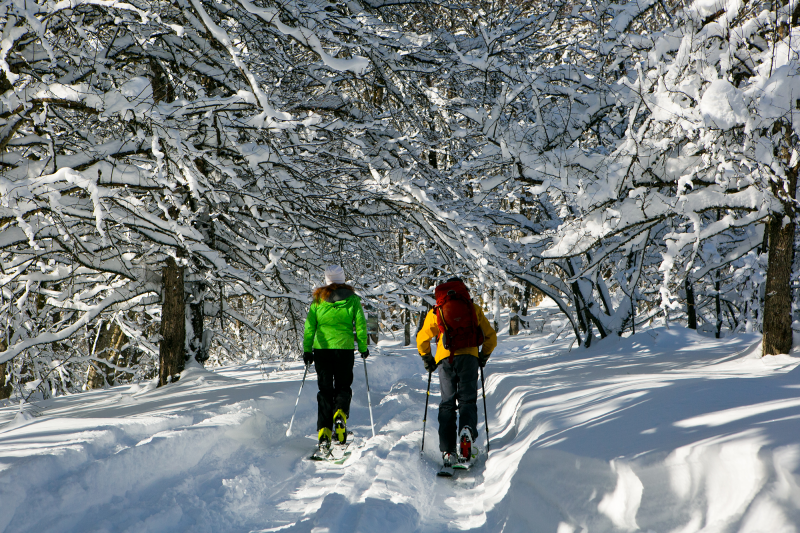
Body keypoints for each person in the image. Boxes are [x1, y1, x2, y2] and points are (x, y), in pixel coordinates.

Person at [417, 277, 496, 468]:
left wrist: (427, 358)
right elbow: (491, 338)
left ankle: (448, 451)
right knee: (467, 400)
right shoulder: (473, 308)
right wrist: (482, 357)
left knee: (447, 403)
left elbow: (422, 338)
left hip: (445, 360)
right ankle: (466, 432)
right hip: (469, 357)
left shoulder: (438, 311)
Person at [303, 265, 369, 452]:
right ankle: (340, 414)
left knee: (325, 390)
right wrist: (363, 347)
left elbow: (310, 327)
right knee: (342, 385)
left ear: (327, 280)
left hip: (322, 350)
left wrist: (308, 350)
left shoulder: (317, 300)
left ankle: (324, 432)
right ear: (342, 279)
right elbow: (361, 325)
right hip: (344, 348)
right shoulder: (353, 299)